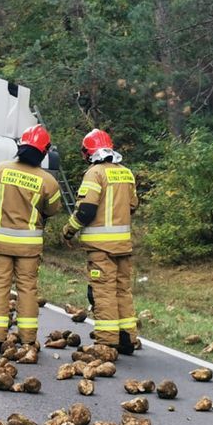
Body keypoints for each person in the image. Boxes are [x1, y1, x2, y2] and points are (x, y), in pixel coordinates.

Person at [0, 125, 63, 353]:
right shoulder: (48, 182)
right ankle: (27, 340)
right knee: (27, 290)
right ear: (44, 152)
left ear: (20, 146)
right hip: (28, 247)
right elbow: (53, 210)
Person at [62, 128, 139, 354]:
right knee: (122, 291)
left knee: (103, 293)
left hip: (100, 249)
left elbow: (85, 210)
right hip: (123, 246)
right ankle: (127, 339)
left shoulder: (94, 173)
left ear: (89, 153)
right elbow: (133, 205)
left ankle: (107, 342)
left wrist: (68, 230)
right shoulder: (126, 173)